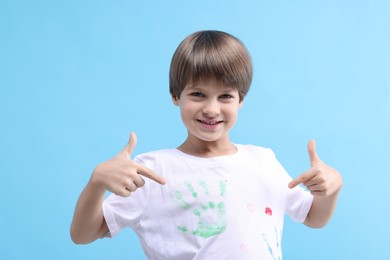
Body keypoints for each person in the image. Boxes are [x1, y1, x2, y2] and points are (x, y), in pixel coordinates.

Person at [70, 30, 343, 259]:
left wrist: (331, 188)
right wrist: (97, 183)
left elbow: (313, 218)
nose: (211, 109)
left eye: (225, 96)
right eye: (198, 94)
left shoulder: (263, 161)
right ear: (176, 95)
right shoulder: (152, 171)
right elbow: (82, 235)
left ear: (241, 100)